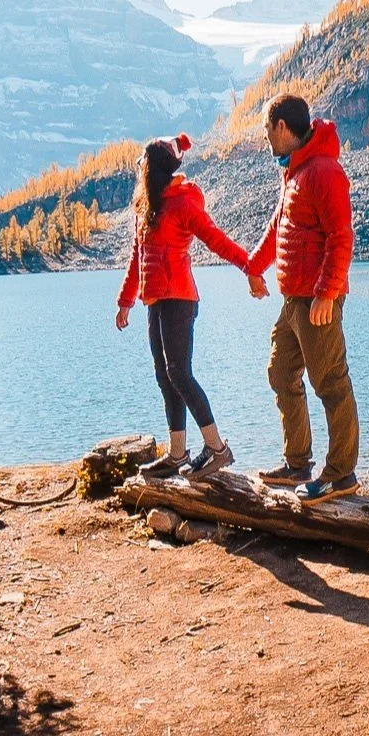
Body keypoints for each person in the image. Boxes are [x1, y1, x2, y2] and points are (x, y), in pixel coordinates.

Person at [115, 133, 256, 481]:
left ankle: (217, 448)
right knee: (165, 377)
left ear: (154, 168)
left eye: (144, 163)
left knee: (180, 373)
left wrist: (249, 268)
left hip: (179, 300)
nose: (140, 168)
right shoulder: (146, 207)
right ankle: (177, 453)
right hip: (155, 301)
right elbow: (137, 257)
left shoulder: (181, 204)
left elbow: (215, 238)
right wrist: (125, 301)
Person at [244, 94, 359, 504]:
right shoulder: (294, 172)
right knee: (281, 373)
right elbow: (279, 228)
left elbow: (341, 236)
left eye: (266, 132)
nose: (266, 141)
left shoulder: (325, 171)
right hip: (293, 300)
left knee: (330, 383)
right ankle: (298, 464)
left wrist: (328, 293)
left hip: (317, 301)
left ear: (281, 127)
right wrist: (253, 267)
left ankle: (341, 474)